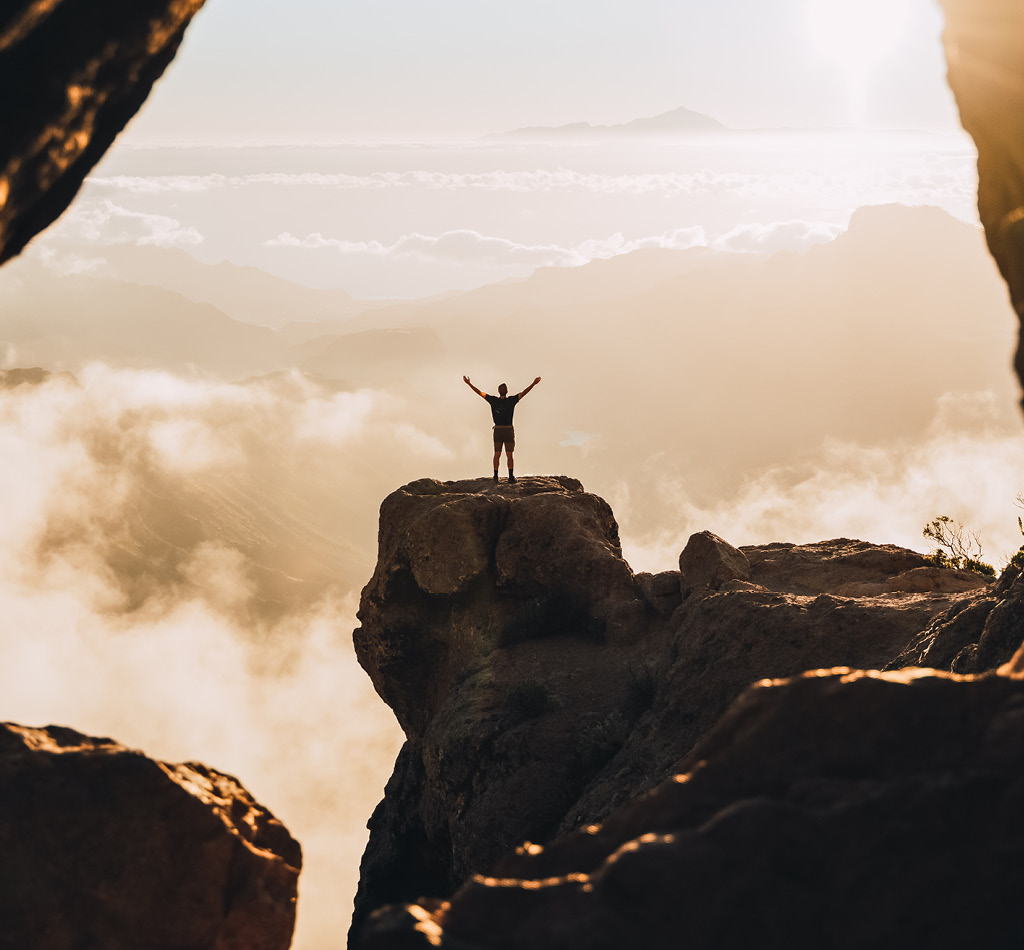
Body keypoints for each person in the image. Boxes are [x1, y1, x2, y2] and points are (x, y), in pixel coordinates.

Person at [463, 375, 541, 483]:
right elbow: (524, 392)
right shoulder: (512, 400)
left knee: (497, 454)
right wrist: (533, 383)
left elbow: (479, 392)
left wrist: (469, 384)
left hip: (498, 430)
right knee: (509, 454)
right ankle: (510, 477)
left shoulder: (493, 400)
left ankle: (495, 477)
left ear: (498, 391)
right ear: (507, 391)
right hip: (508, 429)